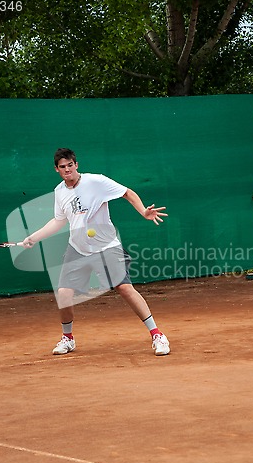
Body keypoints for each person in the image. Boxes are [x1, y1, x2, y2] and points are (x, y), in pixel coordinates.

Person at [22, 148, 170, 356]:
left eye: (70, 165)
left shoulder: (96, 182)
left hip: (106, 247)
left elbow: (127, 193)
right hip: (78, 248)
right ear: (56, 169)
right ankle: (68, 338)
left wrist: (144, 211)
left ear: (76, 165)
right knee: (64, 293)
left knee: (125, 288)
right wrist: (34, 237)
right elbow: (59, 220)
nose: (67, 170)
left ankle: (157, 334)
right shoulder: (59, 192)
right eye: (62, 167)